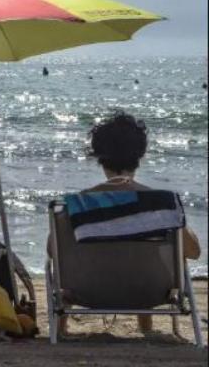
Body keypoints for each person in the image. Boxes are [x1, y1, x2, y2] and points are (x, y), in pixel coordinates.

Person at [54, 111, 202, 334]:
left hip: (89, 291)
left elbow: (53, 251)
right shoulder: (162, 204)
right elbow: (193, 252)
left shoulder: (75, 206)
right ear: (140, 155)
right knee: (146, 259)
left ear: (98, 156)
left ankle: (60, 331)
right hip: (149, 292)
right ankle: (147, 329)